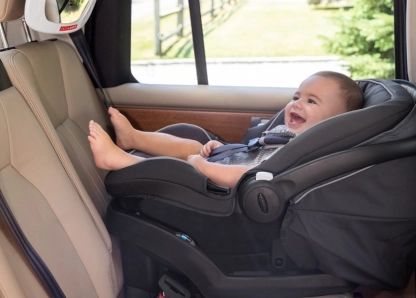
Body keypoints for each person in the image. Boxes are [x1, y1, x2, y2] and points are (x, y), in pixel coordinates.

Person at [88, 71, 364, 188]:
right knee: (192, 146)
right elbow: (255, 153)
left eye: (311, 101)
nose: (297, 104)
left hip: (224, 187)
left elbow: (248, 175)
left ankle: (120, 161)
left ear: (334, 123)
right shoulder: (291, 133)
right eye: (296, 97)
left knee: (182, 168)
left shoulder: (304, 153)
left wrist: (204, 167)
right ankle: (133, 138)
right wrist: (223, 150)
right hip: (228, 162)